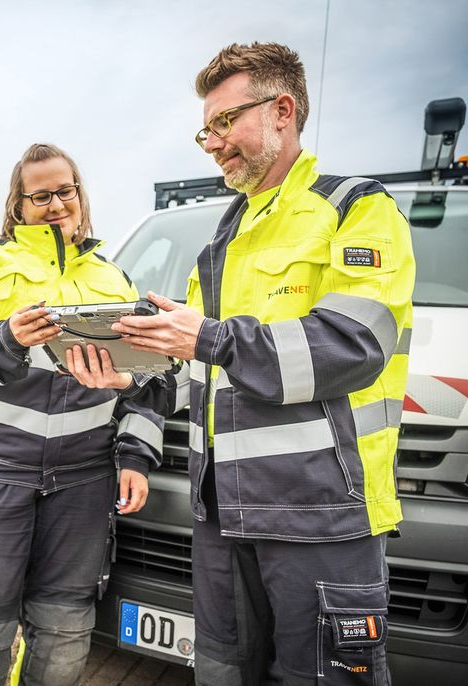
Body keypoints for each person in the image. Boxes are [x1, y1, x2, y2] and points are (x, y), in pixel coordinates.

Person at [111, 42, 414, 685]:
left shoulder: (356, 209)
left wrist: (210, 339)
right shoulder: (221, 240)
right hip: (222, 518)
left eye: (226, 123)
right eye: (206, 131)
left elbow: (351, 346)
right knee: (222, 673)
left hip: (321, 516)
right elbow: (201, 371)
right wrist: (133, 376)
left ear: (282, 111)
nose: (214, 144)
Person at [0, 143, 176, 686]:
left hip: (85, 479)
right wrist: (6, 337)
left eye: (64, 190)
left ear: (79, 194)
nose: (55, 203)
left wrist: (135, 455)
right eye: (39, 195)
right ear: (18, 204)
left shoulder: (117, 280)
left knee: (65, 631)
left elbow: (150, 381)